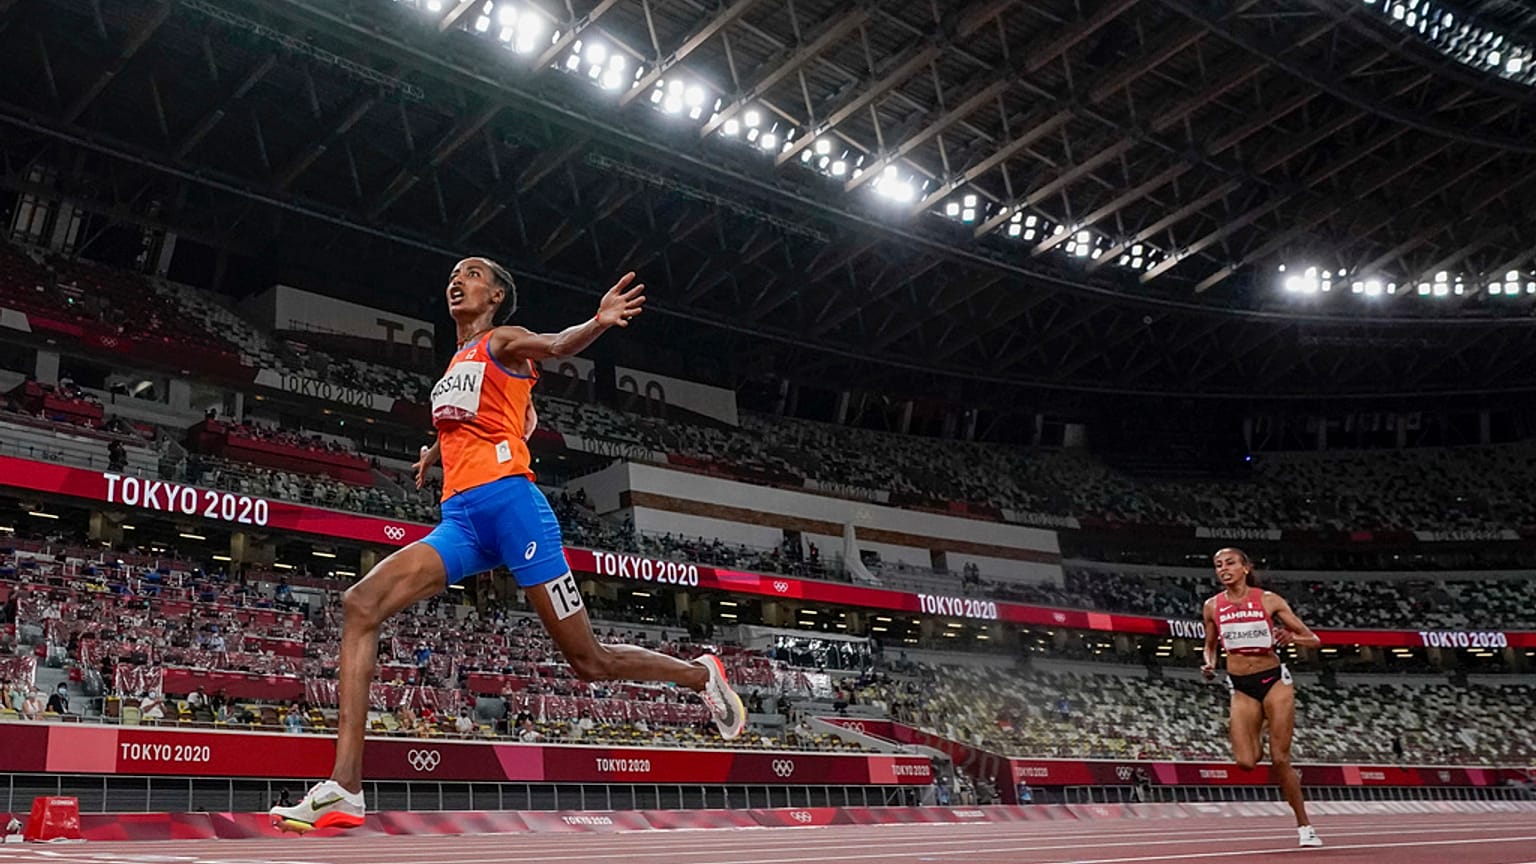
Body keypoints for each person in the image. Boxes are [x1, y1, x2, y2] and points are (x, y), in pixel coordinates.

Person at [271, 259, 743, 834]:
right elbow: (505, 419)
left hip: (516, 514)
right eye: (452, 272)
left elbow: (554, 344)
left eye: (471, 273)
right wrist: (436, 452)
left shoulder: (504, 339)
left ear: (494, 295)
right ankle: (344, 788)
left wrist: (596, 322)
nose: (456, 278)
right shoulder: (456, 364)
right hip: (462, 521)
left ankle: (699, 675)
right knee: (360, 605)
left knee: (588, 662)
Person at [1201, 547, 1323, 849]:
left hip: (1273, 682)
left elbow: (1314, 639)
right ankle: (1263, 728)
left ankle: (1305, 826)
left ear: (1245, 568)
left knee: (1280, 759)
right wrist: (1209, 663)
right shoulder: (1212, 606)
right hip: (1241, 686)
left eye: (1230, 563)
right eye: (1218, 565)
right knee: (1246, 761)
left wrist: (1292, 637)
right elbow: (1210, 644)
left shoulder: (1268, 600)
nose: (1223, 569)